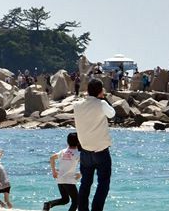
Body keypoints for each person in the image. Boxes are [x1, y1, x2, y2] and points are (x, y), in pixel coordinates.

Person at [73, 78, 115, 211]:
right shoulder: (101, 104)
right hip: (101, 151)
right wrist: (103, 99)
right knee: (103, 183)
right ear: (100, 91)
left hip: (85, 151)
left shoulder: (77, 105)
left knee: (85, 184)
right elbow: (112, 114)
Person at [43, 132, 81, 211]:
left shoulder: (63, 151)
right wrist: (81, 174)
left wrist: (53, 171)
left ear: (67, 141)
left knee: (65, 200)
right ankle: (49, 204)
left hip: (60, 179)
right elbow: (85, 165)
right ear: (78, 142)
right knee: (76, 201)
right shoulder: (78, 153)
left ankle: (49, 204)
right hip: (69, 180)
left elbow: (52, 158)